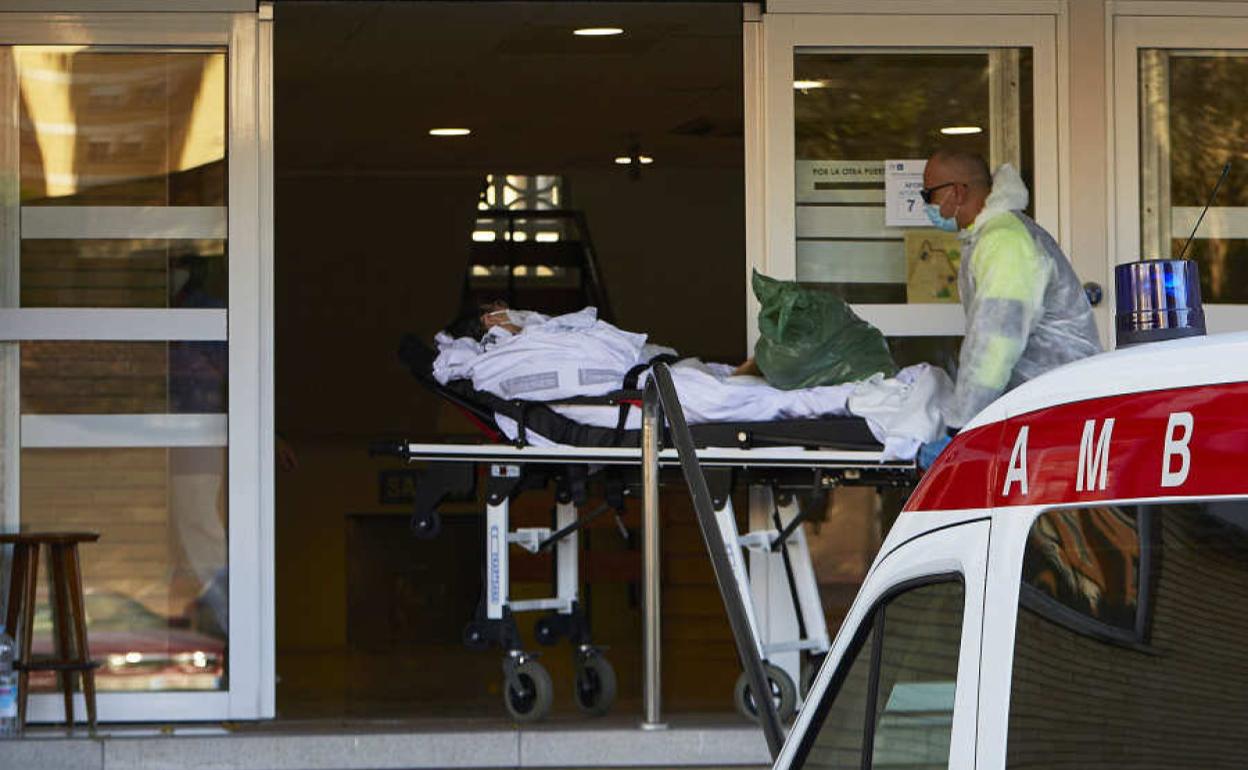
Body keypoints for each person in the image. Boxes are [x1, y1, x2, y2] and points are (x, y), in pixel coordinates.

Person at [917, 150, 1102, 467]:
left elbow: (995, 342)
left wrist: (962, 426)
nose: (926, 203)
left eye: (929, 193)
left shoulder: (1005, 240)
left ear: (957, 192)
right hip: (1046, 405)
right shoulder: (994, 235)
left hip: (1054, 410)